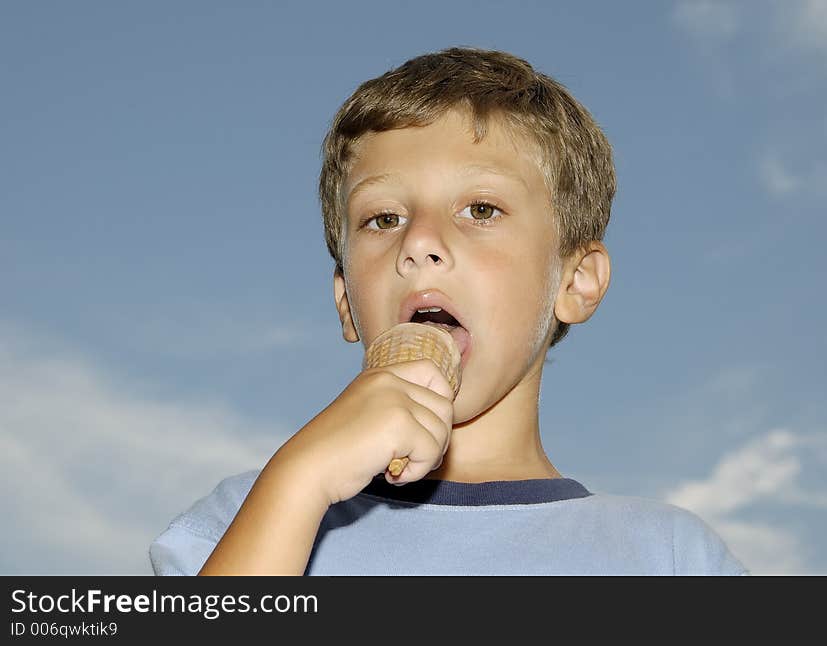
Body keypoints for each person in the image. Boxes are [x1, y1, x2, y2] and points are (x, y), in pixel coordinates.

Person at [149, 46, 748, 575]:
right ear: (347, 301)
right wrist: (302, 481)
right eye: (384, 219)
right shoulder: (252, 519)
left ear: (577, 281)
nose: (418, 243)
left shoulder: (669, 559)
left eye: (481, 210)